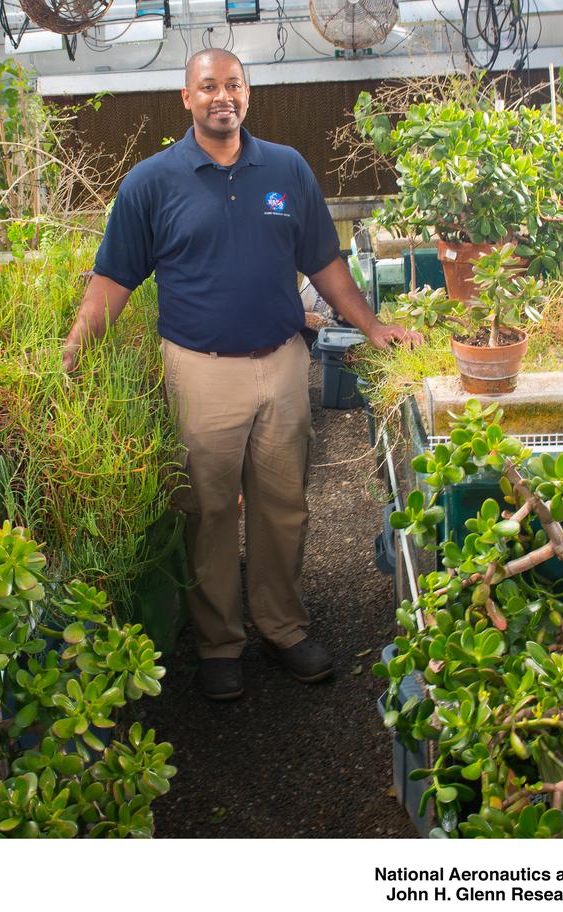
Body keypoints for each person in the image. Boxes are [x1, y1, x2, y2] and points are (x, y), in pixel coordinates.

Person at [61, 48, 420, 701]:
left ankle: (284, 628)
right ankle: (220, 643)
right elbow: (114, 278)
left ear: (246, 95)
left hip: (282, 365)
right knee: (209, 512)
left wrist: (372, 326)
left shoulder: (285, 169)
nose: (222, 96)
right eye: (208, 86)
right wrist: (74, 350)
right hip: (199, 372)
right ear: (187, 97)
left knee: (285, 509)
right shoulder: (151, 182)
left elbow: (324, 262)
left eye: (233, 85)